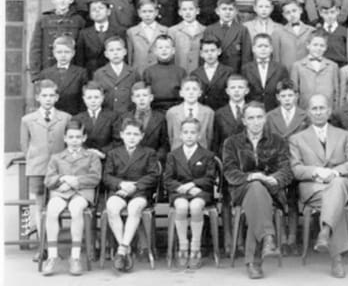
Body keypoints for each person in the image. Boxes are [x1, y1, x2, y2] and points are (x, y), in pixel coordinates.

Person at [289, 94, 348, 278]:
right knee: (337, 205)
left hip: (342, 183)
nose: (318, 112)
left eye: (322, 108)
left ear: (329, 111)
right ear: (308, 112)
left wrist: (334, 173)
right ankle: (335, 256)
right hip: (313, 187)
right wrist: (317, 172)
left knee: (337, 186)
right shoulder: (297, 139)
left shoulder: (344, 135)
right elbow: (295, 169)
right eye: (314, 108)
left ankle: (326, 233)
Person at [223, 102, 292, 279]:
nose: (256, 122)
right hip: (242, 188)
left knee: (258, 196)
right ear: (244, 121)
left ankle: (255, 258)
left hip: (271, 189)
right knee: (255, 187)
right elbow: (229, 172)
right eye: (251, 118)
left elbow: (286, 170)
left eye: (259, 117)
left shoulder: (278, 141)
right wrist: (251, 177)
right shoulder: (232, 143)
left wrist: (274, 178)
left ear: (265, 118)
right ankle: (267, 238)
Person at [40, 119, 102, 276]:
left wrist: (75, 181)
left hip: (82, 193)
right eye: (71, 137)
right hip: (60, 192)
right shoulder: (56, 157)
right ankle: (52, 256)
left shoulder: (91, 156)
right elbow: (48, 180)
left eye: (78, 137)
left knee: (76, 209)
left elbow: (95, 178)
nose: (74, 141)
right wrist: (62, 178)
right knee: (52, 209)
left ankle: (75, 257)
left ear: (84, 138)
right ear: (65, 138)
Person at [103, 118, 160, 272]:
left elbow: (153, 175)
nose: (132, 137)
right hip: (120, 190)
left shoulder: (149, 153)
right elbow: (107, 176)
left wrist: (134, 186)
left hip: (140, 191)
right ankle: (125, 248)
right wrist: (121, 184)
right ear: (122, 135)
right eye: (128, 134)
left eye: (135, 134)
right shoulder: (113, 153)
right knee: (112, 207)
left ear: (141, 136)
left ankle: (121, 250)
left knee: (134, 208)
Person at [21, 80, 70, 257]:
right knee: (39, 207)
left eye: (51, 95)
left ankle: (54, 247)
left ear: (57, 97)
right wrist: (34, 160)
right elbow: (25, 145)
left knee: (56, 206)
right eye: (44, 95)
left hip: (59, 170)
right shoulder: (27, 120)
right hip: (37, 169)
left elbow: (69, 143)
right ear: (37, 97)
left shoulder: (65, 118)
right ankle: (42, 247)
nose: (48, 99)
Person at [163, 117, 218, 270]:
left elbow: (210, 178)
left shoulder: (207, 155)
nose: (189, 136)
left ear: (199, 135)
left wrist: (194, 184)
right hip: (179, 191)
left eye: (193, 132)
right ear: (180, 134)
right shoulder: (173, 155)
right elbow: (168, 179)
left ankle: (195, 247)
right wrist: (184, 188)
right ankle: (183, 246)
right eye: (186, 132)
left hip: (200, 191)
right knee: (181, 207)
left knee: (195, 207)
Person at [29, 0, 86, 81]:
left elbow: (82, 50)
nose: (62, 1)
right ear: (53, 0)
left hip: (72, 71)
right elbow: (36, 48)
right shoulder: (44, 20)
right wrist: (35, 74)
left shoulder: (79, 20)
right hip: (47, 69)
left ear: (71, 0)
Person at [118, 82, 169, 164]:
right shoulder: (124, 118)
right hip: (128, 162)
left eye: (145, 95)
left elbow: (164, 145)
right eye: (138, 96)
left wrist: (155, 159)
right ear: (133, 99)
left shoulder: (161, 118)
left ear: (151, 97)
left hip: (152, 161)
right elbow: (119, 142)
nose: (141, 99)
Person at [36, 36, 88, 116]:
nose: (63, 55)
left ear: (73, 53)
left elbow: (84, 99)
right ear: (54, 53)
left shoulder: (81, 73)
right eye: (59, 52)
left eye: (67, 52)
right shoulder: (45, 74)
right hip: (52, 116)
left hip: (73, 115)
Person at [77, 0, 126, 78]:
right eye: (93, 9)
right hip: (91, 75)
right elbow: (80, 59)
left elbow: (125, 57)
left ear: (108, 12)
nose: (97, 11)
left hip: (114, 74)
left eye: (100, 8)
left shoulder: (120, 31)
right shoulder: (84, 33)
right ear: (90, 14)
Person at [202, 0, 252, 73]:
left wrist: (244, 75)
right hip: (215, 73)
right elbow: (204, 56)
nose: (227, 12)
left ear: (236, 12)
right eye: (224, 9)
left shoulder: (242, 30)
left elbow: (246, 57)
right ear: (217, 11)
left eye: (231, 9)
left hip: (235, 73)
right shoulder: (209, 30)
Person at [290, 31, 339, 110]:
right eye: (315, 45)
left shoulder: (333, 66)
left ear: (326, 47)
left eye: (322, 46)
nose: (318, 48)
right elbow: (294, 92)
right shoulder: (297, 66)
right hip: (305, 109)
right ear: (308, 45)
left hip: (327, 110)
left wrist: (335, 110)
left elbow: (336, 92)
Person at [242, 33, 289, 112]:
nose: (263, 49)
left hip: (274, 109)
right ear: (253, 49)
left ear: (271, 49)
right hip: (253, 110)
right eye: (259, 46)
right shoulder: (245, 69)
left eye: (266, 46)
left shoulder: (280, 68)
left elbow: (285, 90)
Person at [92, 36, 139, 114]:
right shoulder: (99, 74)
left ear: (125, 52)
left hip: (128, 115)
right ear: (106, 54)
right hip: (107, 115)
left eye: (118, 49)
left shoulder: (133, 73)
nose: (115, 53)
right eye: (111, 50)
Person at [165, 76, 215, 150]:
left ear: (200, 93)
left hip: (201, 153)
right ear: (181, 93)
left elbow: (209, 137)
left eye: (194, 89)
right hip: (178, 153)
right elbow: (170, 136)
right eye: (187, 89)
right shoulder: (172, 112)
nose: (191, 92)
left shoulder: (209, 112)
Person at [142, 34, 188, 111]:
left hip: (176, 109)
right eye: (160, 47)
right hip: (155, 110)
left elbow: (185, 95)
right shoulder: (148, 72)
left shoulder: (181, 72)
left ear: (173, 50)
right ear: (155, 51)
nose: (164, 50)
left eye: (167, 47)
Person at [74, 80, 119, 159]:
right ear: (84, 99)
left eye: (96, 97)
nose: (93, 101)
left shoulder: (113, 117)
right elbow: (74, 139)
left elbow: (117, 141)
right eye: (89, 98)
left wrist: (102, 152)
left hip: (106, 158)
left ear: (102, 98)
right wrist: (87, 152)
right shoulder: (77, 119)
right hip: (83, 159)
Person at [126, 0, 168, 74]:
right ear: (139, 13)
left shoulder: (164, 31)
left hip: (159, 73)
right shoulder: (132, 32)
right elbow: (130, 58)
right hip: (139, 73)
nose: (147, 14)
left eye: (150, 11)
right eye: (144, 11)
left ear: (156, 12)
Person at [271, 0, 316, 72]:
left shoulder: (312, 31)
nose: (292, 15)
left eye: (294, 11)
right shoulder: (277, 33)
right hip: (287, 73)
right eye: (288, 13)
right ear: (283, 15)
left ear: (300, 10)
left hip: (307, 73)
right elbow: (276, 59)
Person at [191, 37, 233, 110]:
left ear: (219, 51)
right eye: (206, 51)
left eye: (212, 50)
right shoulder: (195, 73)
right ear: (201, 54)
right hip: (202, 111)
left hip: (222, 110)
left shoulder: (228, 72)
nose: (209, 54)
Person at [168, 0, 206, 74]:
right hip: (179, 73)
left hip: (199, 74)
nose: (187, 12)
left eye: (191, 9)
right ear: (179, 12)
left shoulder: (205, 30)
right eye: (184, 9)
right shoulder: (173, 31)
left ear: (197, 11)